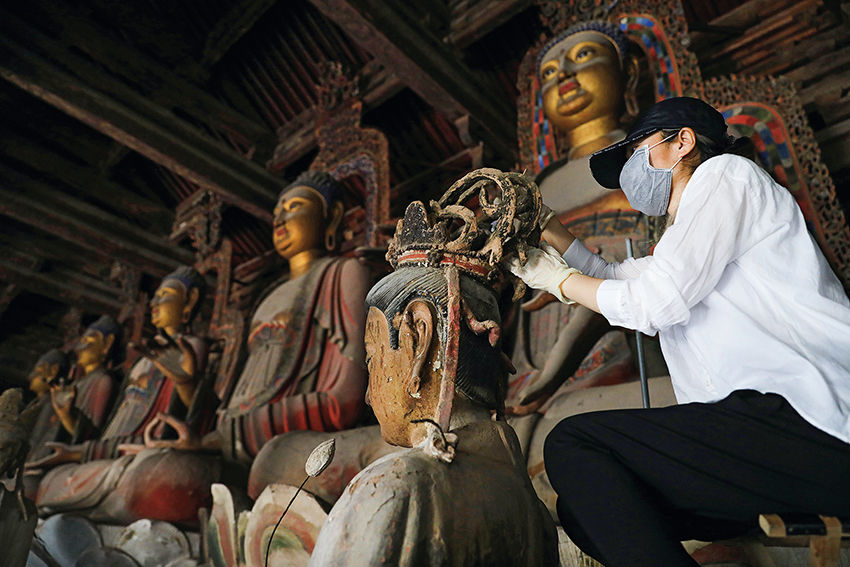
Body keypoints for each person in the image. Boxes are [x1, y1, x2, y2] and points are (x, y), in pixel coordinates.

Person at [509, 96, 850, 567]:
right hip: (760, 442)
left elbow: (655, 301)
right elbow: (619, 280)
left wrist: (562, 282)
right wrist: (553, 233)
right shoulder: (682, 236)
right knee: (586, 510)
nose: (631, 169)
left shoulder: (726, 177)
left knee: (571, 443)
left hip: (813, 421)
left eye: (636, 151)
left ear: (683, 140)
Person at [309, 172, 558, 566]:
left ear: (420, 337)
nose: (368, 397)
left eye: (372, 358)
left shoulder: (392, 487)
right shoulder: (535, 514)